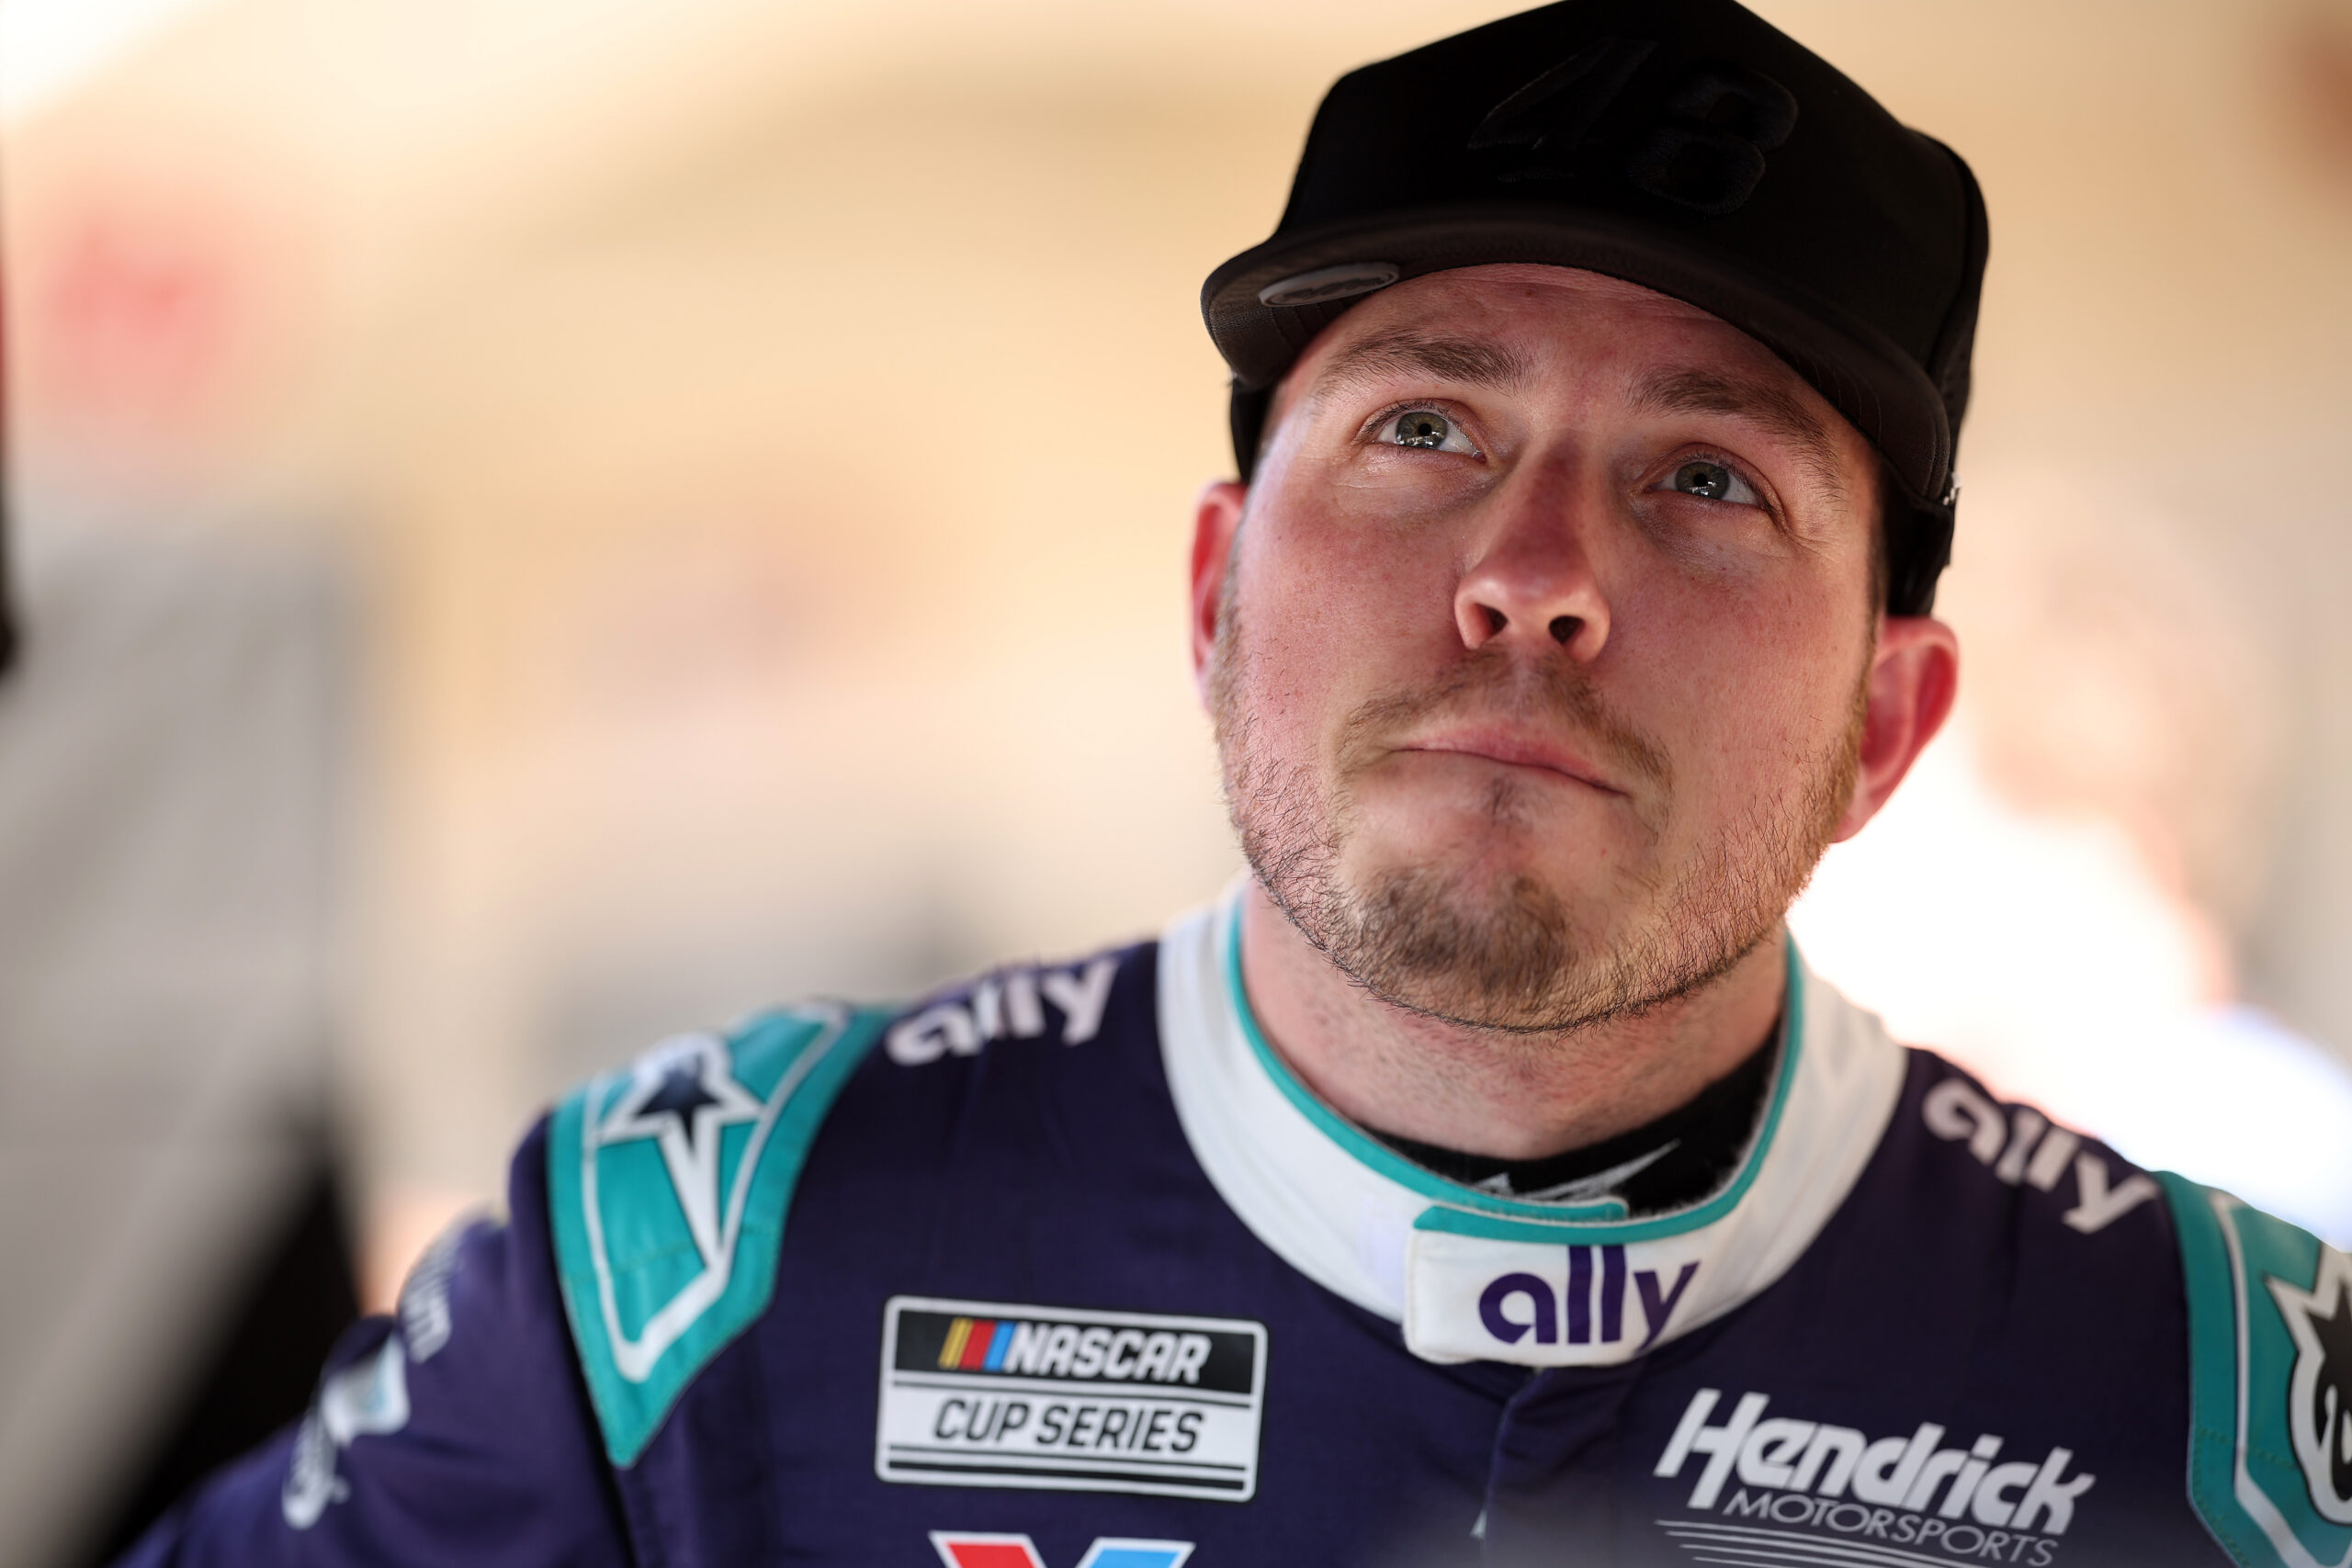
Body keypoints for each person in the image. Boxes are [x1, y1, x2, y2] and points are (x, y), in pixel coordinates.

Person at [121, 2, 2346, 1564]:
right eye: (1420, 427)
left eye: (1703, 477)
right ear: (1210, 594)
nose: (1531, 575)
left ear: (1884, 722)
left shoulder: (2228, 1397)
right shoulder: (687, 1255)